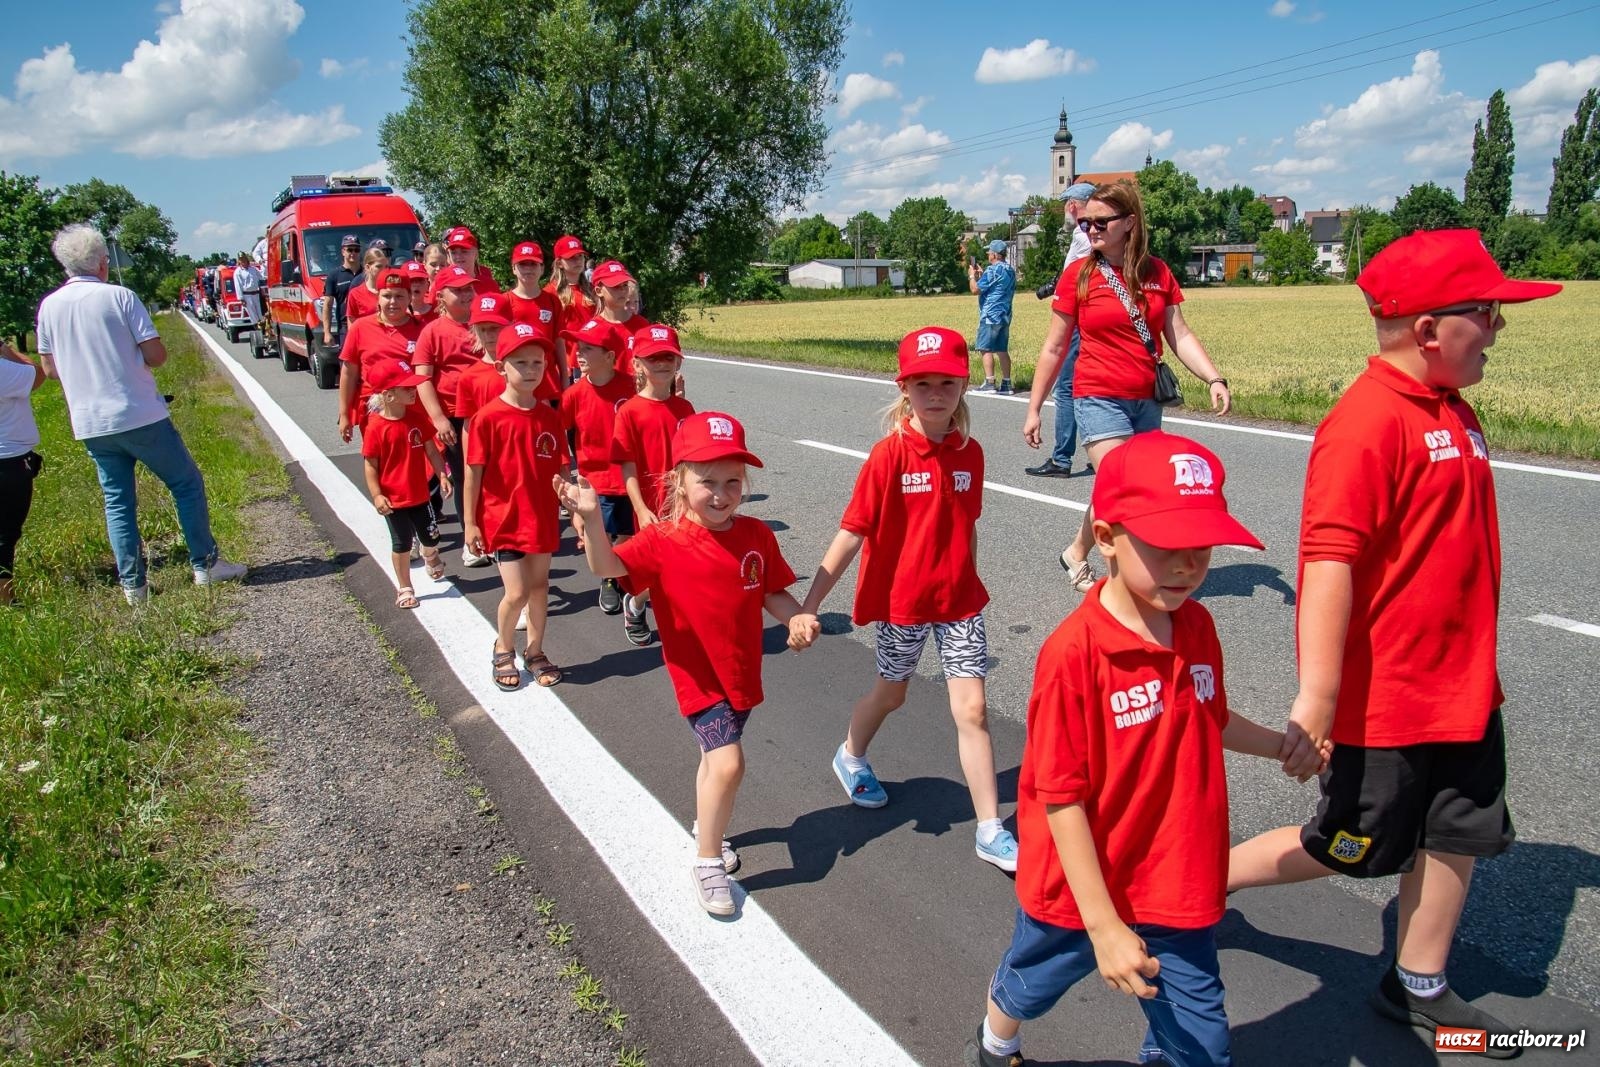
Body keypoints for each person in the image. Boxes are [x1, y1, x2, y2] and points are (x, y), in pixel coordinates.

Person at [1227, 230, 1561, 1056]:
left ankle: (1417, 985)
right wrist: (1318, 697)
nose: (1498, 327)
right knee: (1347, 845)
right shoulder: (1366, 422)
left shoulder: (1455, 407)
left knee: (1460, 833)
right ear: (1426, 329)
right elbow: (1330, 562)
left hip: (1467, 690)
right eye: (1484, 312)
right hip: (1394, 701)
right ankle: (1199, 881)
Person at [964, 430, 1321, 1067]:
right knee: (1031, 982)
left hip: (1175, 876)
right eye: (1166, 547)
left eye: (1202, 548)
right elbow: (1060, 797)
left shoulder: (1198, 625)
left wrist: (1280, 747)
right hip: (1080, 889)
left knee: (1201, 1041)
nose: (1188, 566)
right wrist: (1102, 926)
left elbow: (1208, 714)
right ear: (1105, 537)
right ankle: (996, 1043)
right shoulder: (1075, 655)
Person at [556, 412, 810, 917]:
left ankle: (705, 823)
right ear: (678, 481)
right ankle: (708, 860)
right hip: (696, 677)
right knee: (728, 761)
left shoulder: (757, 535)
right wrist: (589, 518)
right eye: (706, 482)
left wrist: (796, 617)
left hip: (739, 674)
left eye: (732, 481)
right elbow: (608, 567)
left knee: (713, 760)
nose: (720, 494)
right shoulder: (662, 541)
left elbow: (773, 593)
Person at [789, 326, 1018, 871]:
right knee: (892, 695)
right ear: (904, 388)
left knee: (974, 709)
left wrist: (965, 574)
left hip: (960, 602)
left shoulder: (971, 454)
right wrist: (810, 602)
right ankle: (851, 755)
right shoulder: (888, 457)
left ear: (964, 384)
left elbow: (967, 526)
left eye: (946, 381)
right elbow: (851, 532)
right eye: (923, 383)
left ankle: (990, 828)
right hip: (904, 606)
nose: (935, 392)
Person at [1022, 180, 1232, 594]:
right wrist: (1034, 407)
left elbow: (1179, 334)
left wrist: (1213, 377)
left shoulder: (1157, 272)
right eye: (1086, 223)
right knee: (1124, 485)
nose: (1091, 230)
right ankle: (1128, 582)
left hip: (1145, 401)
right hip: (1097, 396)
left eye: (1101, 222)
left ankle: (1075, 552)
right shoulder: (1079, 275)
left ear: (1129, 222)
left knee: (1121, 484)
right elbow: (1054, 346)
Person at [34, 223, 247, 603]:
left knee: (117, 501)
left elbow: (50, 370)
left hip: (89, 421)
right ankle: (206, 563)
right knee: (185, 483)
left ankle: (134, 585)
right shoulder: (120, 297)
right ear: (102, 262)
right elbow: (156, 356)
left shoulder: (48, 306)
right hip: (138, 412)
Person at [464, 322, 568, 691]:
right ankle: (503, 647)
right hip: (503, 520)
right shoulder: (487, 418)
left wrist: (574, 504)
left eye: (537, 363)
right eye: (520, 362)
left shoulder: (548, 416)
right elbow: (473, 475)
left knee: (540, 587)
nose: (530, 370)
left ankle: (535, 650)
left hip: (541, 517)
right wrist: (470, 524)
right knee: (517, 592)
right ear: (500, 366)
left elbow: (561, 468)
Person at [610, 324, 695, 646]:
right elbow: (627, 466)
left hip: (684, 504)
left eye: (668, 357)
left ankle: (681, 617)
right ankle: (635, 603)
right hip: (649, 505)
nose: (661, 363)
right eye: (652, 357)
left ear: (678, 362)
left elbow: (693, 460)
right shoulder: (630, 411)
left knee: (683, 563)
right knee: (655, 570)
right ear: (636, 365)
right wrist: (640, 508)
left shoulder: (684, 409)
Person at [558, 317, 636, 613]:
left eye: (588, 348)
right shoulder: (574, 395)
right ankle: (609, 579)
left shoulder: (630, 388)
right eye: (578, 346)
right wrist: (568, 486)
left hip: (629, 476)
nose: (578, 352)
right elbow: (558, 437)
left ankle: (624, 575)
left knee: (628, 533)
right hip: (595, 480)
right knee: (601, 535)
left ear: (609, 356)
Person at [361, 359, 450, 609]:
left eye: (413, 387)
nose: (413, 391)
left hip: (421, 494)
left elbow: (432, 451)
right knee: (401, 543)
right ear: (388, 395)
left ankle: (430, 554)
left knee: (431, 537)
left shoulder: (416, 418)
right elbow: (370, 465)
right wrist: (377, 495)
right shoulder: (376, 428)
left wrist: (441, 474)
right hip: (394, 499)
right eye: (406, 388)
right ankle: (405, 586)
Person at [1025, 182, 1096, 479]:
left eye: (1068, 205)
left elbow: (1076, 276)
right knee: (1092, 387)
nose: (1067, 210)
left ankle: (1062, 458)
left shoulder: (1083, 235)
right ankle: (1100, 453)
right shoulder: (1104, 234)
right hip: (1090, 316)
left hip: (1077, 318)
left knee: (1066, 388)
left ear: (1074, 205)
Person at [413, 266, 483, 518]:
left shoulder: (484, 325)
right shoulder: (432, 332)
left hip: (489, 412)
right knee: (466, 475)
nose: (466, 295)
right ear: (441, 296)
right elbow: (422, 378)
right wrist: (439, 418)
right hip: (454, 416)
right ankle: (471, 538)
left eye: (469, 289)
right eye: (458, 290)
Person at [337, 268, 424, 444]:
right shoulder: (360, 328)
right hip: (375, 407)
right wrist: (345, 414)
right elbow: (349, 373)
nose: (393, 302)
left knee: (412, 463)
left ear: (409, 297)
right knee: (378, 463)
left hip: (413, 409)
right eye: (387, 296)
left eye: (399, 296)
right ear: (378, 297)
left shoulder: (422, 329)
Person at [0, 340, 46, 605]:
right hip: (8, 461)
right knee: (6, 533)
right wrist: (5, 348)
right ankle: (6, 600)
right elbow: (37, 374)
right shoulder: (4, 370)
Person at [504, 241, 566, 398]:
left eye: (533, 264)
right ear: (513, 268)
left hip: (548, 380)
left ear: (542, 269)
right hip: (515, 381)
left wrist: (565, 378)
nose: (528, 269)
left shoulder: (552, 301)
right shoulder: (504, 302)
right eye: (523, 264)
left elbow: (559, 342)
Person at [969, 240, 1016, 394]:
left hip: (990, 314)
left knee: (985, 348)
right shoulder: (1010, 270)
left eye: (989, 252)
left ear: (995, 254)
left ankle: (990, 382)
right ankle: (1007, 383)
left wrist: (972, 276)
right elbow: (995, 286)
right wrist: (981, 275)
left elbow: (975, 290)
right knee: (1001, 349)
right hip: (1005, 314)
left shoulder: (992, 270)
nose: (988, 255)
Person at [591, 260, 649, 379]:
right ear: (598, 291)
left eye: (624, 285)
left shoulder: (642, 325)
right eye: (615, 286)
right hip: (607, 395)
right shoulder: (592, 330)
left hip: (636, 394)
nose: (622, 290)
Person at [547, 235, 595, 377]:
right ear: (560, 263)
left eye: (580, 256)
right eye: (571, 257)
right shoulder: (550, 292)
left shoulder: (592, 290)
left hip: (591, 361)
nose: (578, 261)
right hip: (566, 365)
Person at [321, 234, 365, 351]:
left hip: (366, 324)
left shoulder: (367, 273)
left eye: (356, 250)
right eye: (349, 249)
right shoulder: (334, 275)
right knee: (347, 363)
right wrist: (327, 332)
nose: (353, 253)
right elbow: (327, 305)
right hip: (345, 327)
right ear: (343, 251)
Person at [442, 226, 500, 295]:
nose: (458, 256)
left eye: (464, 251)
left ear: (475, 253)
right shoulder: (442, 283)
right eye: (453, 252)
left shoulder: (490, 285)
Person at [344, 245, 391, 325]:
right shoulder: (355, 294)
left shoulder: (392, 290)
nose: (383, 270)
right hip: (365, 336)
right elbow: (352, 325)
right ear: (368, 267)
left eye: (386, 266)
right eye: (378, 266)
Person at [233, 252, 263, 325]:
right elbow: (238, 286)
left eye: (244, 259)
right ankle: (257, 329)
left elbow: (261, 277)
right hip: (247, 295)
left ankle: (263, 328)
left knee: (260, 313)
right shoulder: (238, 272)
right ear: (239, 261)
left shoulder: (253, 269)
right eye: (241, 259)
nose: (243, 261)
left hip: (256, 293)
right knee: (253, 315)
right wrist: (241, 299)